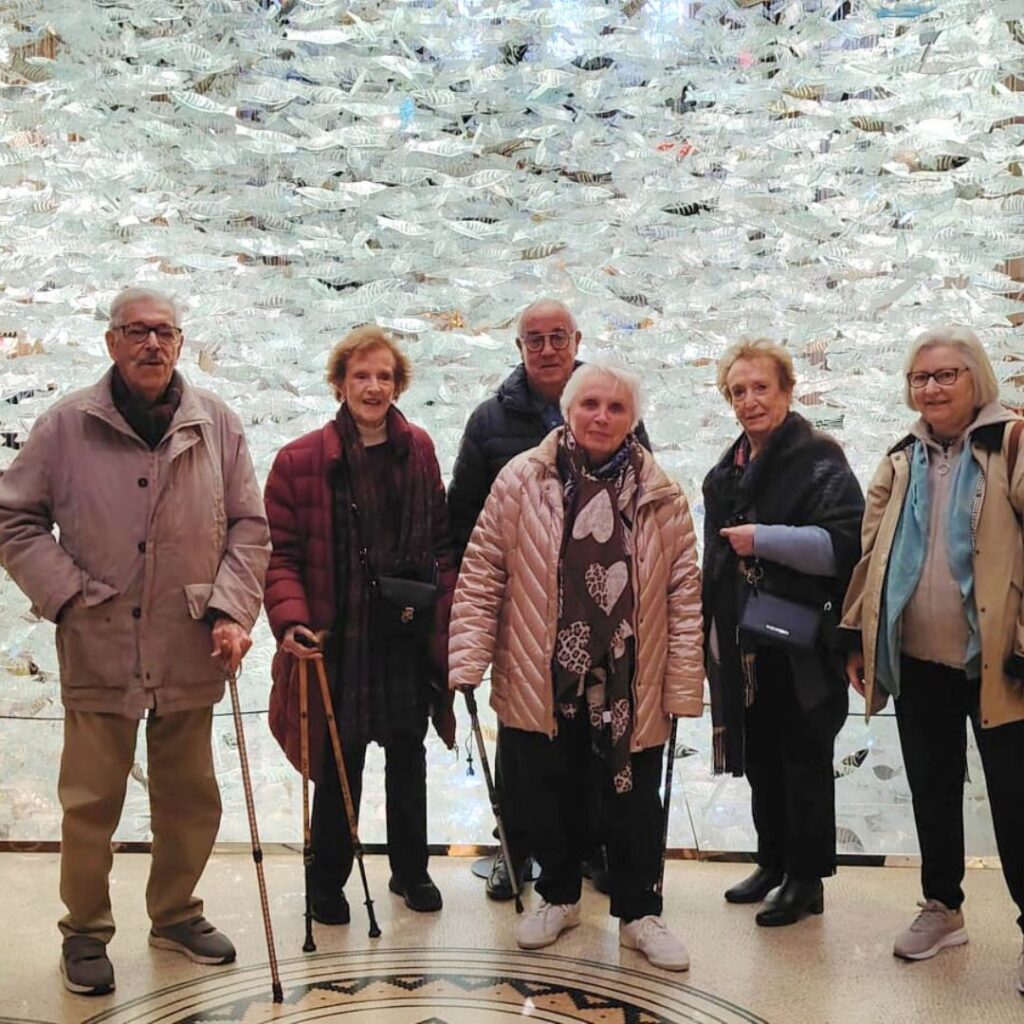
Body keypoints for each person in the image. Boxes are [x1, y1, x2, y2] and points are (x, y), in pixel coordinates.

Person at [0, 287, 270, 996]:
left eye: (166, 332)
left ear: (180, 343)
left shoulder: (217, 424)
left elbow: (249, 525)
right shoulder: (66, 426)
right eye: (137, 331)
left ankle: (176, 913)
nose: (153, 344)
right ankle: (85, 932)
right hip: (100, 640)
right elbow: (14, 518)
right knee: (90, 799)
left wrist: (232, 608)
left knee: (191, 795)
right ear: (112, 342)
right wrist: (68, 596)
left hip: (190, 640)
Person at [449, 362, 703, 971]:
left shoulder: (660, 491)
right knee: (546, 791)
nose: (601, 417)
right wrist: (467, 655)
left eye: (616, 408)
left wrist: (685, 683)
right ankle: (558, 898)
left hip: (628, 681)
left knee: (634, 798)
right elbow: (484, 572)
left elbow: (684, 594)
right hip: (542, 670)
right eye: (590, 403)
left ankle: (641, 912)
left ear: (633, 419)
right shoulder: (521, 480)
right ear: (568, 409)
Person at [841, 326, 1024, 988]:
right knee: (932, 789)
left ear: (977, 378)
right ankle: (943, 907)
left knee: (1017, 798)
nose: (932, 387)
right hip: (917, 660)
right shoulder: (900, 458)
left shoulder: (1012, 442)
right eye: (920, 378)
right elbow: (872, 555)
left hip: (1000, 664)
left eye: (946, 374)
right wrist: (859, 636)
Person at [448, 298, 649, 900]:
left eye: (557, 336)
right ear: (519, 348)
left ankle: (585, 852)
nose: (547, 348)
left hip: (601, 617)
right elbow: (466, 524)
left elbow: (645, 506)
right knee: (525, 747)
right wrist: (477, 623)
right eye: (534, 339)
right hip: (527, 616)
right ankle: (517, 848)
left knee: (594, 737)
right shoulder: (490, 421)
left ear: (576, 338)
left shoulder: (611, 401)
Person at [264, 325, 456, 923]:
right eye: (361, 376)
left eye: (384, 377)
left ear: (399, 385)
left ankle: (410, 869)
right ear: (339, 384)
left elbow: (441, 542)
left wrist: (447, 616)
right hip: (338, 639)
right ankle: (326, 881)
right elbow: (282, 556)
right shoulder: (300, 460)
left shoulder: (419, 448)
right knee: (338, 759)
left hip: (403, 633)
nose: (373, 387)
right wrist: (292, 619)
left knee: (408, 754)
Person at [702, 338, 863, 927]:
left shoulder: (819, 457)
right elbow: (714, 561)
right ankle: (772, 861)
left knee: (804, 758)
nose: (749, 400)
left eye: (760, 387)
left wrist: (762, 538)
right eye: (738, 391)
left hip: (806, 642)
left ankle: (807, 879)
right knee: (764, 757)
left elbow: (844, 546)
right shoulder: (726, 471)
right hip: (747, 640)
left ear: (788, 390)